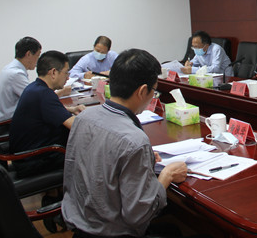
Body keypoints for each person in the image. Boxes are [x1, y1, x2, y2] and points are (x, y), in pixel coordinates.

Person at [62, 49, 188, 238]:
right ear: (142, 91)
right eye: (154, 91)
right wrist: (166, 175)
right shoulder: (134, 140)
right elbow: (139, 215)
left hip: (81, 227)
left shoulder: (84, 117)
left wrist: (143, 159)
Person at [9, 50, 85, 178]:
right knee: (86, 149)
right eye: (66, 73)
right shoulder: (45, 94)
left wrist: (71, 109)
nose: (68, 78)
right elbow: (76, 126)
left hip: (24, 155)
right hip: (32, 160)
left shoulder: (34, 87)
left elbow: (48, 109)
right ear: (53, 72)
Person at [0, 37, 42, 136]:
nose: (38, 60)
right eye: (37, 56)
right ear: (28, 54)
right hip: (7, 125)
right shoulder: (16, 74)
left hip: (6, 121)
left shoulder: (10, 68)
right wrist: (59, 92)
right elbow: (36, 99)